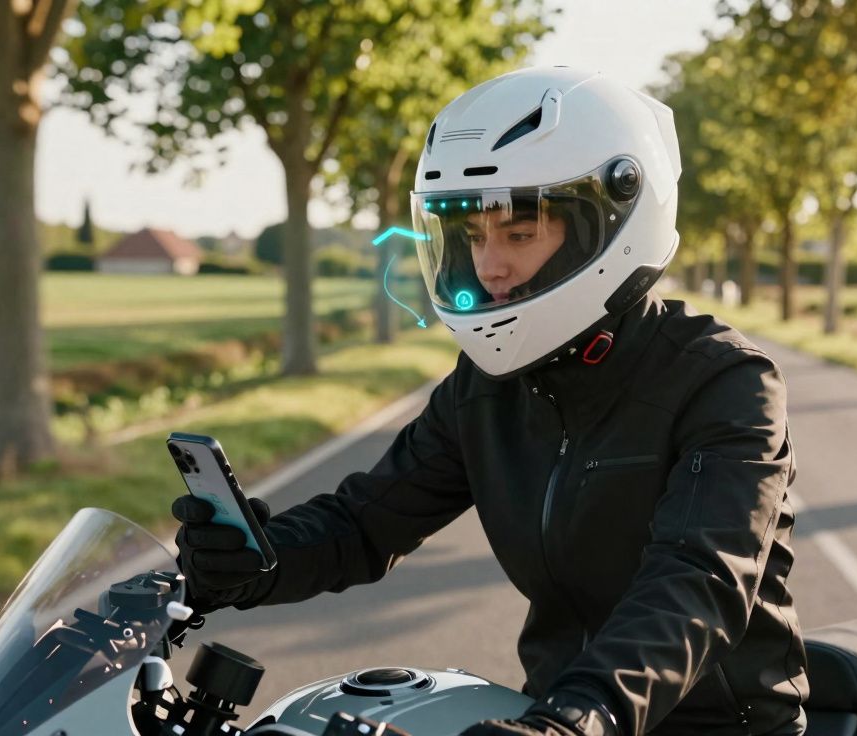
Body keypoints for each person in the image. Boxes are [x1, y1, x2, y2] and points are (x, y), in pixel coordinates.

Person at [172, 67, 809, 736]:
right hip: (547, 716)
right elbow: (366, 522)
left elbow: (697, 583)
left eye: (519, 234)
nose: (489, 269)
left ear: (616, 219)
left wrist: (576, 720)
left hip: (713, 726)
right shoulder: (487, 384)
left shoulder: (724, 382)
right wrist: (257, 559)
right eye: (474, 237)